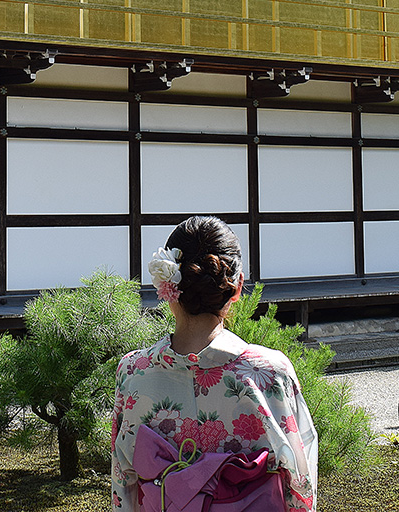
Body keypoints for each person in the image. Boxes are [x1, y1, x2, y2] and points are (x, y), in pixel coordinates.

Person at [111, 216, 318, 511]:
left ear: (166, 285)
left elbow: (124, 483)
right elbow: (300, 479)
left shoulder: (133, 372)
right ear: (237, 288)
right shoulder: (270, 372)